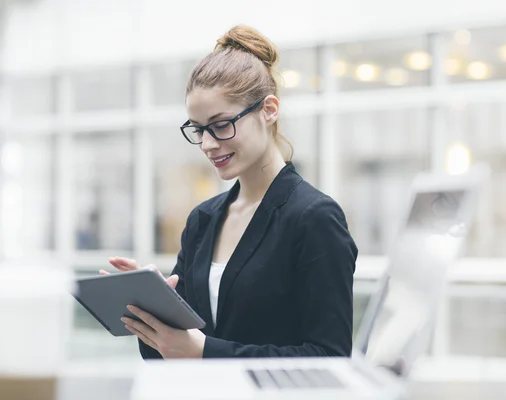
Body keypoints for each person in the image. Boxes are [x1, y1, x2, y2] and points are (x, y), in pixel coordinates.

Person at [103, 25, 358, 358]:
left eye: (221, 125)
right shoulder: (203, 220)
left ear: (269, 110)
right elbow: (171, 354)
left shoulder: (313, 217)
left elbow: (330, 357)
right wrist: (155, 308)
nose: (208, 144)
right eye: (198, 129)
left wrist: (204, 351)